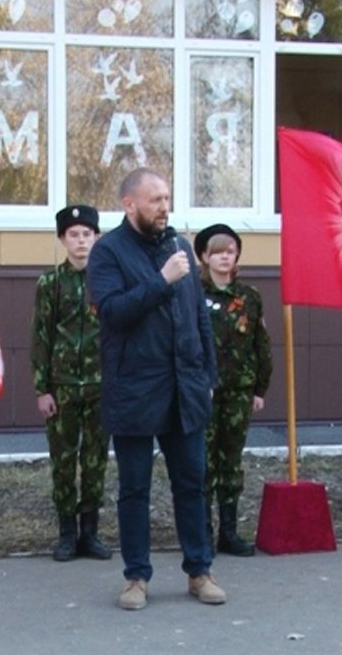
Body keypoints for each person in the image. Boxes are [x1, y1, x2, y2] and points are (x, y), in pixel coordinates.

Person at [87, 168, 224, 610]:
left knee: (192, 482)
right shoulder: (108, 252)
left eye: (167, 198)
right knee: (134, 488)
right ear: (130, 204)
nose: (165, 207)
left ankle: (199, 571)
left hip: (185, 386)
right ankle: (136, 578)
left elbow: (199, 318)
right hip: (134, 388)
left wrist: (207, 377)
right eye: (155, 200)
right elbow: (112, 312)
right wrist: (161, 280)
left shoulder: (180, 247)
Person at [30, 204, 112, 562]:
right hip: (62, 387)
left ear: (97, 238)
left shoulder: (108, 280)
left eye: (87, 234)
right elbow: (41, 337)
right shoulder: (50, 284)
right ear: (62, 239)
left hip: (100, 385)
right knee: (63, 460)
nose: (81, 242)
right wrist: (42, 388)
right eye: (74, 235)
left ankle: (90, 532)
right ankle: (66, 532)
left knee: (94, 460)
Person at [194, 223, 272, 556]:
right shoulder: (193, 295)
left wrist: (259, 388)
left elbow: (261, 345)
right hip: (205, 393)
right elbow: (187, 344)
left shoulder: (249, 297)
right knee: (203, 465)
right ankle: (202, 535)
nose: (225, 258)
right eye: (218, 252)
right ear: (204, 257)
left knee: (231, 462)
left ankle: (229, 532)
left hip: (239, 392)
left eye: (230, 251)